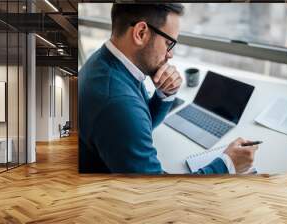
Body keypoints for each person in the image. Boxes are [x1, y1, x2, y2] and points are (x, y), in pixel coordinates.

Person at [78, 3, 258, 174]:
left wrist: (165, 93)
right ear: (140, 33)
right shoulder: (117, 104)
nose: (170, 54)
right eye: (168, 43)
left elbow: (140, 123)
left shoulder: (106, 61)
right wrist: (228, 164)